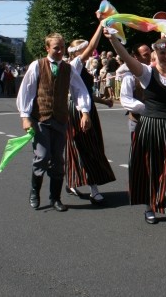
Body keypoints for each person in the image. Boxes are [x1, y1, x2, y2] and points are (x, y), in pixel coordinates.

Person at [106, 31, 166, 227]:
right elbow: (127, 58)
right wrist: (114, 40)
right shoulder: (147, 74)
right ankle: (149, 206)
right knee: (152, 167)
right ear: (155, 56)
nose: (165, 57)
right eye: (161, 54)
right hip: (152, 126)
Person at [16, 33, 93, 212]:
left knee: (58, 160)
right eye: (56, 48)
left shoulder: (69, 68)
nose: (59, 51)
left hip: (60, 119)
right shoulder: (37, 65)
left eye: (62, 47)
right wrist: (25, 116)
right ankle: (35, 191)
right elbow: (26, 91)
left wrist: (85, 112)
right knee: (42, 157)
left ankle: (55, 198)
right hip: (40, 119)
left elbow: (80, 90)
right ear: (47, 48)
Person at [64, 23, 116, 204]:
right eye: (85, 49)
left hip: (87, 108)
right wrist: (101, 26)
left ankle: (72, 181)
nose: (90, 52)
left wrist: (104, 101)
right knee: (85, 147)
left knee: (88, 146)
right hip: (78, 110)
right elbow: (93, 46)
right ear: (77, 51)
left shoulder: (81, 68)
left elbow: (85, 93)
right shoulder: (74, 65)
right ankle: (93, 188)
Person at [118, 43, 152, 138]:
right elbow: (125, 99)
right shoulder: (129, 77)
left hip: (156, 121)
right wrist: (147, 109)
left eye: (150, 53)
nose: (150, 57)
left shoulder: (156, 72)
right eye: (145, 55)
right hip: (138, 121)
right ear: (136, 57)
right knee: (140, 151)